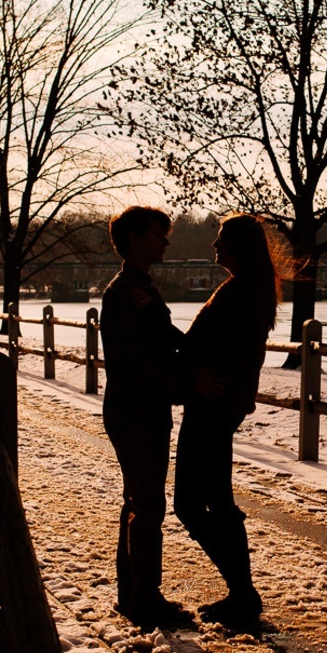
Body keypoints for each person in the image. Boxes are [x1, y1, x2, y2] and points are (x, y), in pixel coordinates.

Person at [173, 213, 279, 628]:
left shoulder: (238, 294)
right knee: (216, 500)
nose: (214, 247)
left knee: (191, 504)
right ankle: (241, 594)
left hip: (211, 408)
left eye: (220, 240)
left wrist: (195, 379)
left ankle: (243, 592)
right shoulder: (250, 291)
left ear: (237, 246)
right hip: (221, 406)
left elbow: (215, 351)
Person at [99, 206, 190, 628]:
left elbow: (163, 340)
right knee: (147, 503)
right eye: (158, 234)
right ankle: (144, 597)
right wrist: (184, 385)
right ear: (134, 239)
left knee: (139, 501)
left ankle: (134, 592)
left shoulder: (142, 289)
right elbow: (136, 359)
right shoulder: (123, 293)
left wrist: (192, 354)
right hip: (135, 411)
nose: (165, 241)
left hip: (142, 409)